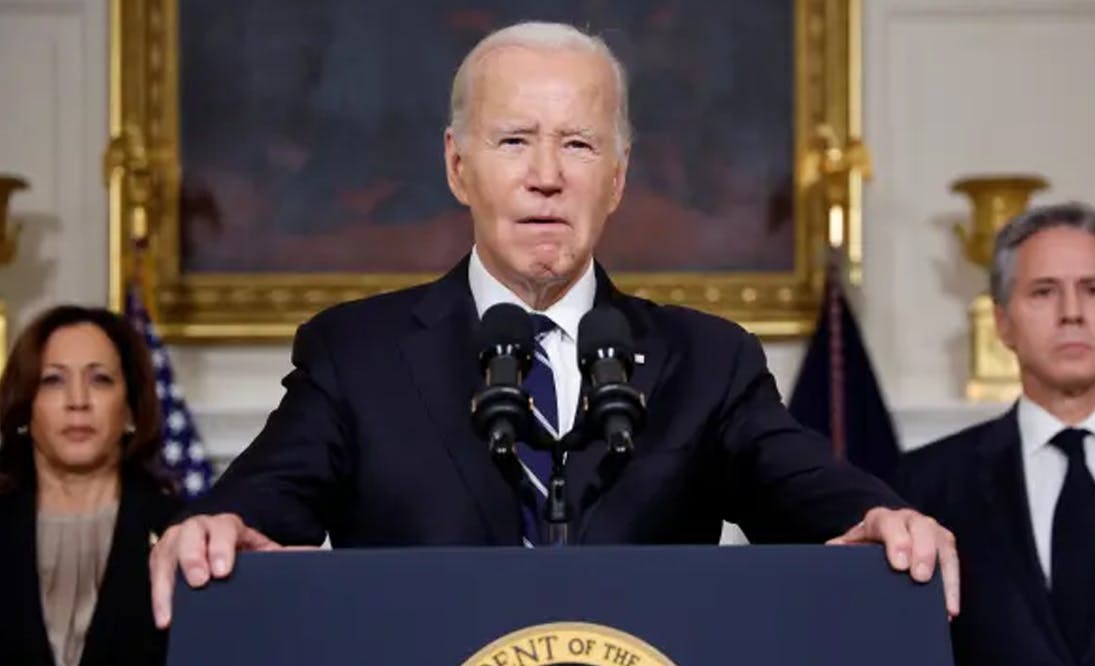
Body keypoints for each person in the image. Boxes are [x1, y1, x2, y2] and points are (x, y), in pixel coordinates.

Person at [149, 21, 959, 628]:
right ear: (458, 166)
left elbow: (815, 493)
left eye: (577, 143)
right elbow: (259, 502)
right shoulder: (357, 354)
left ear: (617, 177)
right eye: (513, 141)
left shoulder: (708, 361)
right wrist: (217, 529)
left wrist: (880, 517)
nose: (545, 177)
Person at [891, 202, 1095, 666]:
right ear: (1002, 323)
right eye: (1043, 292)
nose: (1072, 312)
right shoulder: (927, 484)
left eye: (1094, 290)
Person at [0, 305, 182, 665]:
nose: (78, 401)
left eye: (100, 379)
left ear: (130, 409)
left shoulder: (178, 532)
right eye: (53, 380)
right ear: (25, 408)